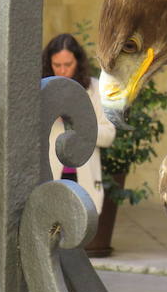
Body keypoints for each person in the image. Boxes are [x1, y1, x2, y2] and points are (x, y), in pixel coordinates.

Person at [42, 33, 116, 216]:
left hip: (84, 177)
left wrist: (78, 122)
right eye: (57, 65)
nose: (62, 71)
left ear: (78, 62)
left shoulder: (95, 89)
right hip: (50, 176)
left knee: (81, 234)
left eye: (68, 65)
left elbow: (109, 135)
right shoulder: (41, 91)